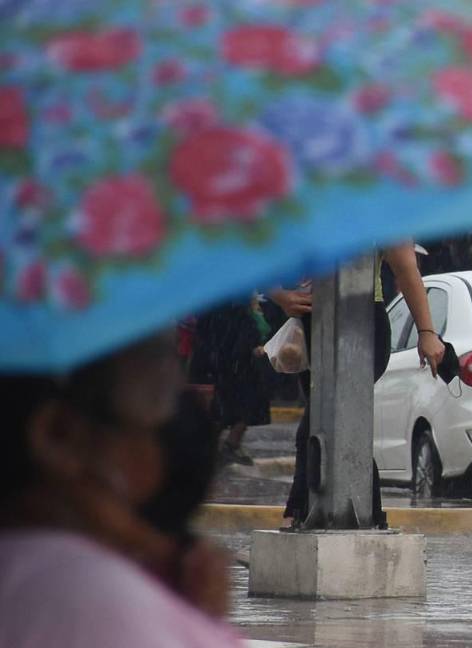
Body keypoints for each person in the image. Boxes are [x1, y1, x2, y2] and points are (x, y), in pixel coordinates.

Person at [0, 335, 241, 647]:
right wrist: (196, 624)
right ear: (59, 434)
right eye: (160, 405)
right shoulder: (85, 595)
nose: (173, 433)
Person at [276, 243, 445, 527]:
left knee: (335, 419)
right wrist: (280, 296)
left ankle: (328, 512)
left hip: (364, 323)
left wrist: (427, 332)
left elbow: (405, 267)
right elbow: (255, 247)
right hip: (312, 322)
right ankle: (343, 513)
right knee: (323, 423)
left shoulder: (382, 201)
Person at [189, 294, 272, 466]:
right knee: (231, 407)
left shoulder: (215, 306)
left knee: (225, 408)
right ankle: (222, 447)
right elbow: (245, 334)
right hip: (231, 365)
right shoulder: (233, 309)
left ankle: (219, 447)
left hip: (222, 364)